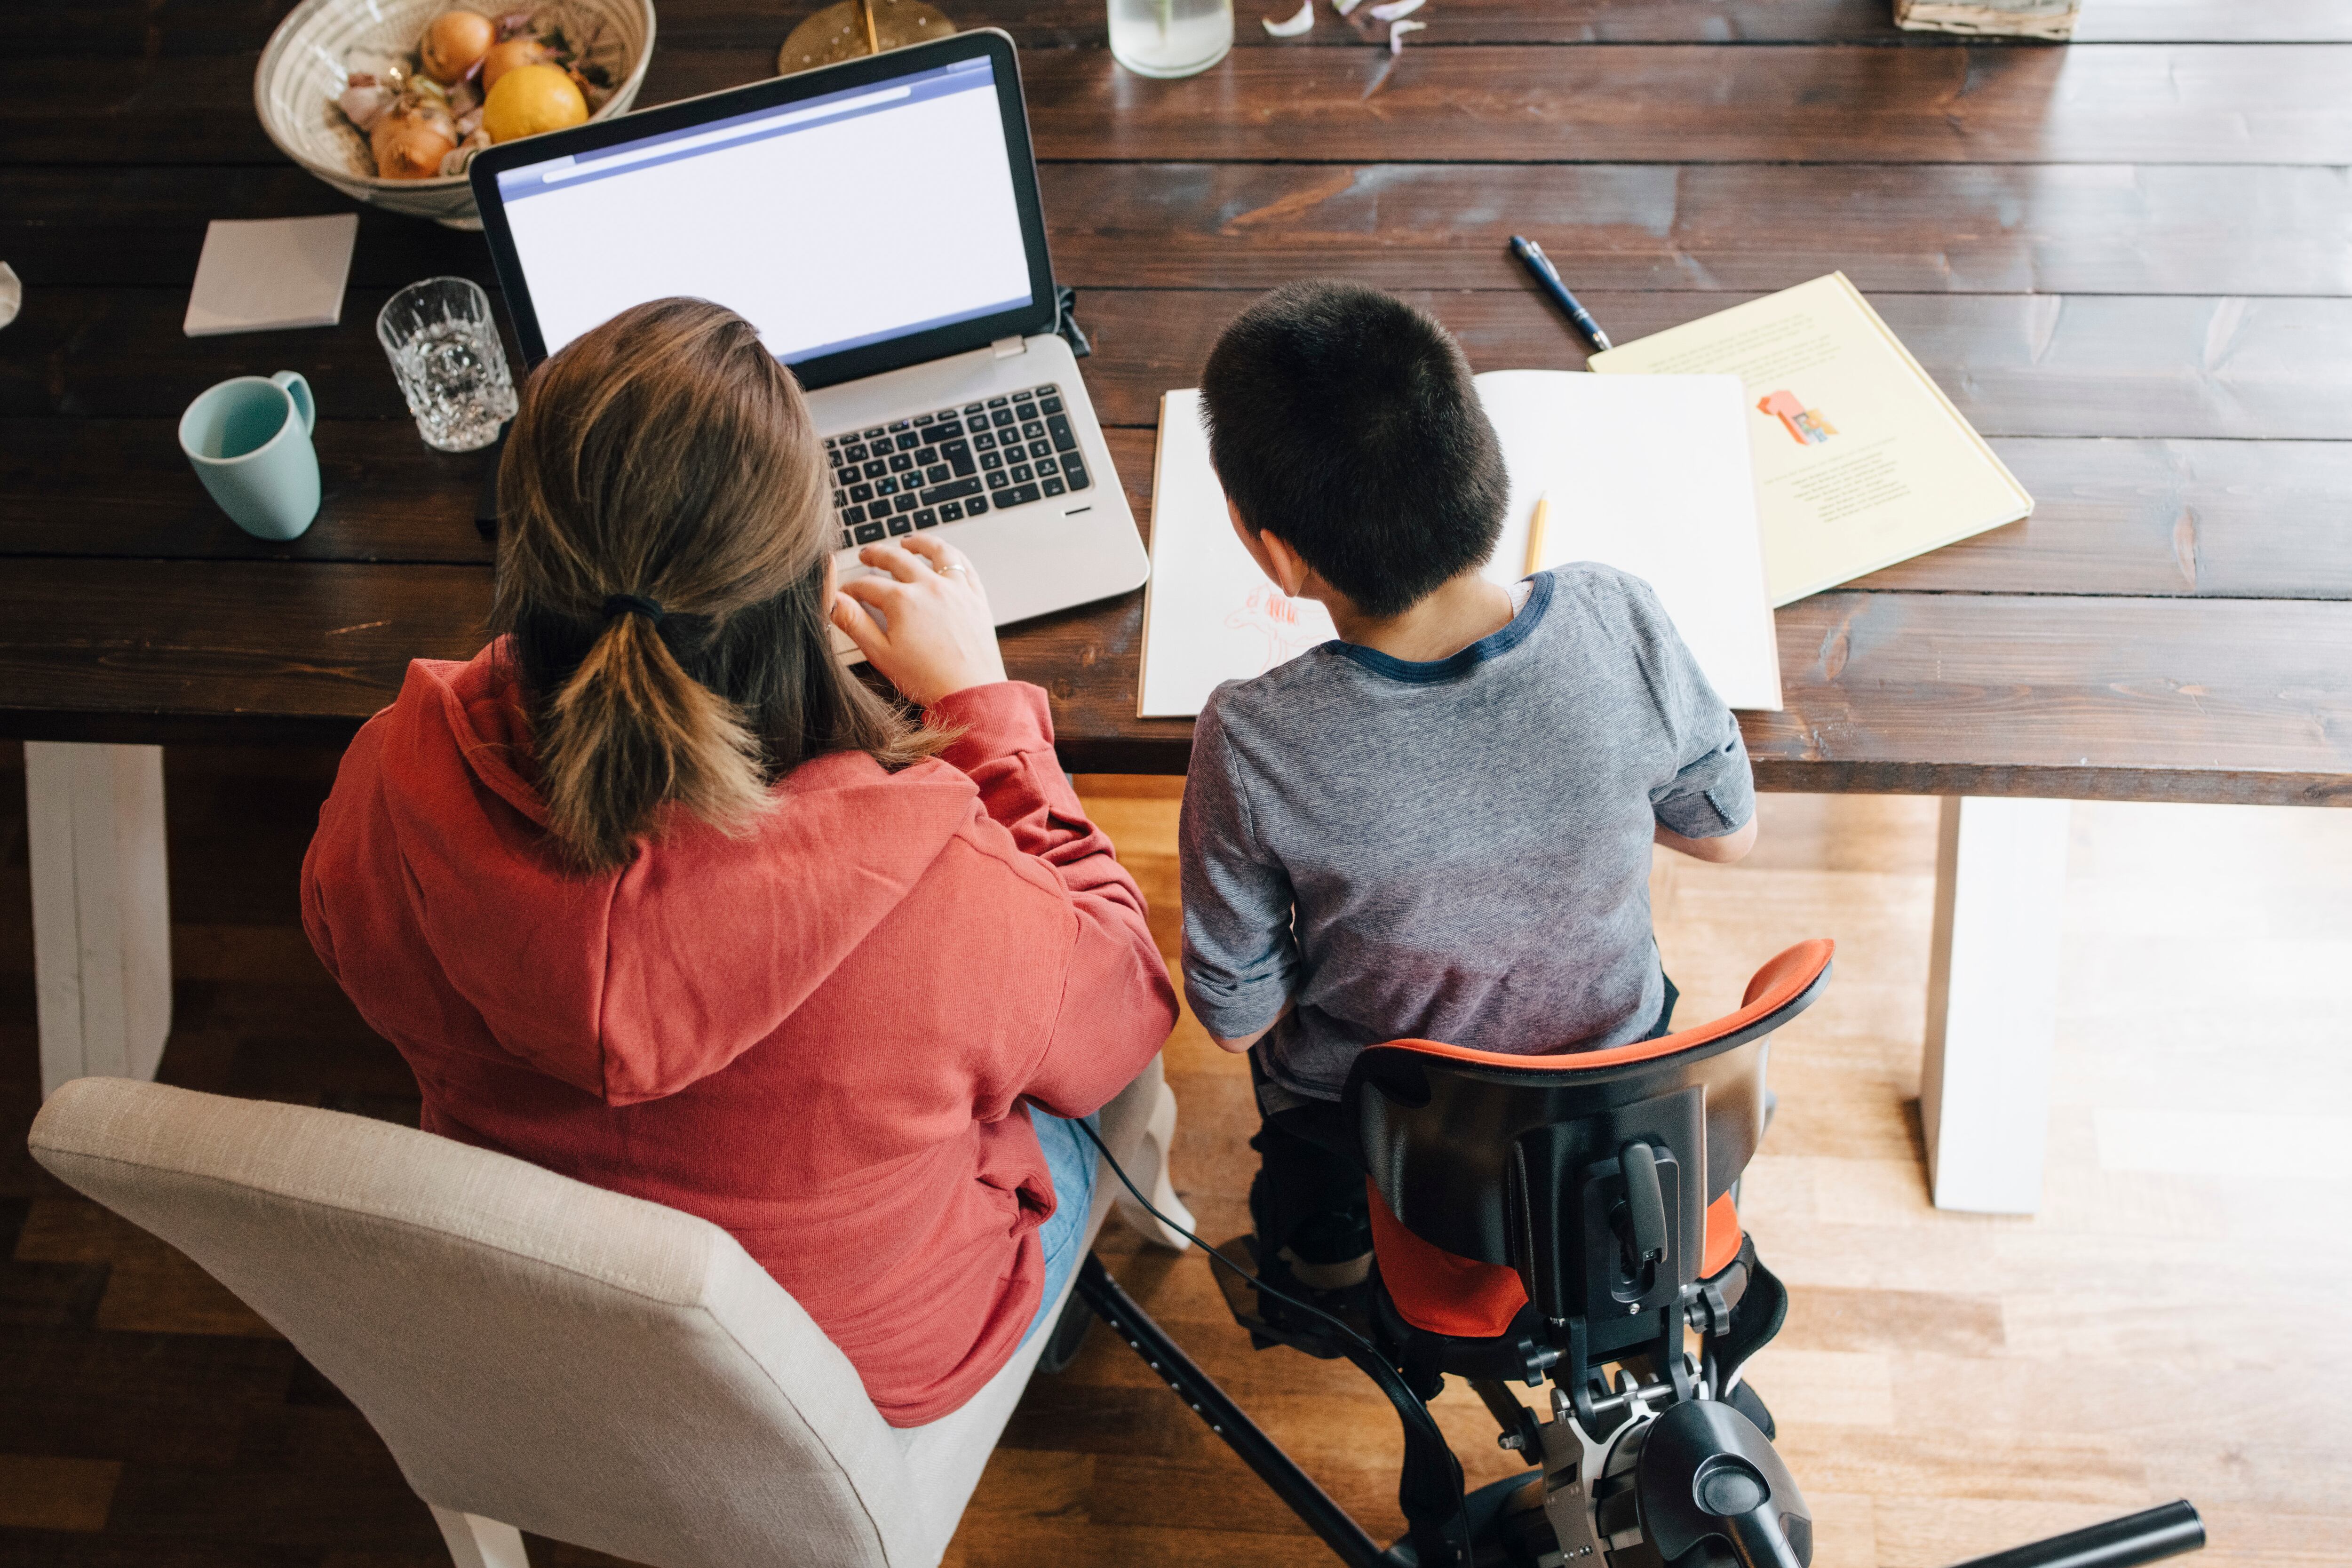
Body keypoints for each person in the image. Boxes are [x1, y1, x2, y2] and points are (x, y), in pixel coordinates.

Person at [301, 298, 1177, 1426]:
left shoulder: (383, 778)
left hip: (556, 1336)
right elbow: (1126, 1012)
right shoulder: (937, 892)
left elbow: (349, 946)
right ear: (820, 592)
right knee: (1066, 1061)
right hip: (865, 1374)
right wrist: (984, 710)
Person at [1177, 280, 1757, 1305]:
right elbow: (1723, 836)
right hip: (1615, 1088)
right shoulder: (1615, 613)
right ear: (1483, 471)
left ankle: (1326, 1272)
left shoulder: (1252, 736)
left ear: (1273, 550)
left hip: (1387, 1123)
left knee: (1302, 1150)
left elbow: (1235, 1016)